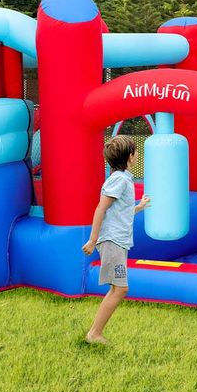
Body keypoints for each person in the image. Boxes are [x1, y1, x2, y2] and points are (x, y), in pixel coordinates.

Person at [81, 135, 150, 345]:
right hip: (112, 241)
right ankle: (94, 334)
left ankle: (95, 333)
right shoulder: (119, 179)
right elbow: (101, 207)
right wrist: (93, 240)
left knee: (117, 288)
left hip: (118, 241)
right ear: (130, 156)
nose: (137, 154)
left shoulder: (123, 178)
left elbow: (119, 210)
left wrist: (138, 206)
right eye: (136, 151)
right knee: (120, 289)